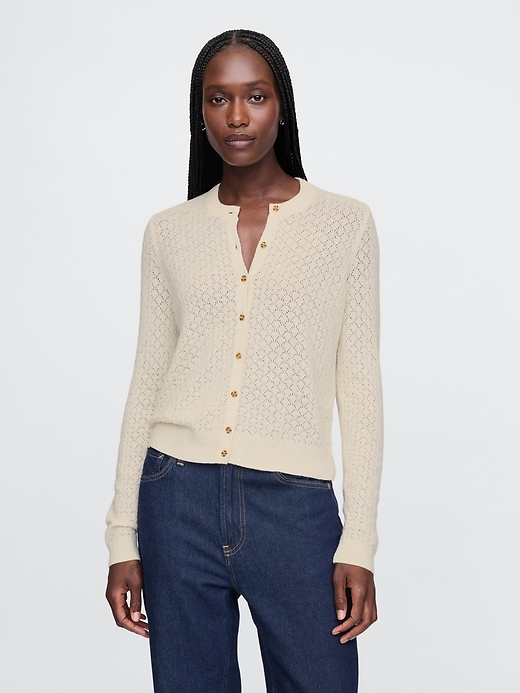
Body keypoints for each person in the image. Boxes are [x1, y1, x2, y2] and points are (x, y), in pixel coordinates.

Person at [105, 28, 383, 693]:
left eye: (255, 96)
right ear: (199, 113)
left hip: (294, 507)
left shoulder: (346, 224)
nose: (236, 116)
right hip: (175, 499)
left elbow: (361, 387)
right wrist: (123, 536)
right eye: (218, 99)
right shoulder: (168, 231)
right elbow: (147, 379)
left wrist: (360, 541)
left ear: (281, 106)